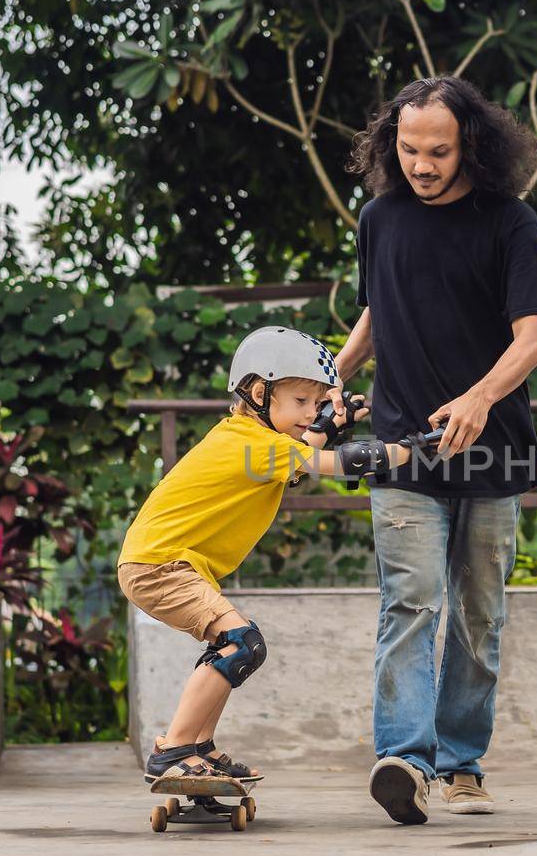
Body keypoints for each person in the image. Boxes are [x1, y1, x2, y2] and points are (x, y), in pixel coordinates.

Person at [333, 76, 537, 825]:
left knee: (477, 616)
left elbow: (533, 335)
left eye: (438, 150)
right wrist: (328, 380)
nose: (422, 164)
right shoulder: (378, 217)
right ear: (389, 143)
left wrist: (479, 396)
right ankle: (404, 757)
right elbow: (377, 310)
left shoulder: (510, 223)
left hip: (492, 452)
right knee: (409, 602)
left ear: (471, 144)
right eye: (408, 149)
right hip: (403, 451)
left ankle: (462, 762)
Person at [117, 325, 427, 784]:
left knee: (238, 643)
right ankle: (174, 749)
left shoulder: (252, 439)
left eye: (316, 403)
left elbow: (299, 454)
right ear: (260, 393)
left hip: (161, 563)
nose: (310, 412)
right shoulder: (251, 443)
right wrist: (415, 447)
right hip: (159, 567)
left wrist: (328, 424)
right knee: (240, 643)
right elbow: (335, 464)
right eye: (301, 402)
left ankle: (197, 745)